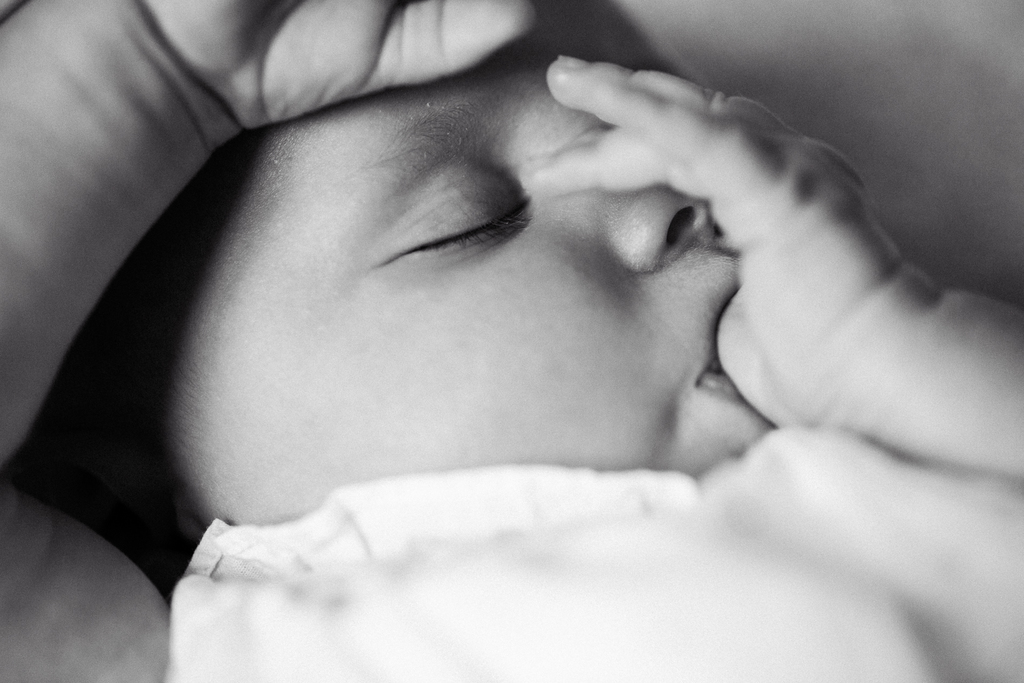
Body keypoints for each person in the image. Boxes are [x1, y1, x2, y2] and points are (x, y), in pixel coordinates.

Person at [1, 0, 1022, 680]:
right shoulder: (259, 638)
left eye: (669, 127)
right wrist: (143, 69)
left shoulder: (890, 441)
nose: (673, 195)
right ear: (129, 501)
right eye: (470, 221)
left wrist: (889, 345)